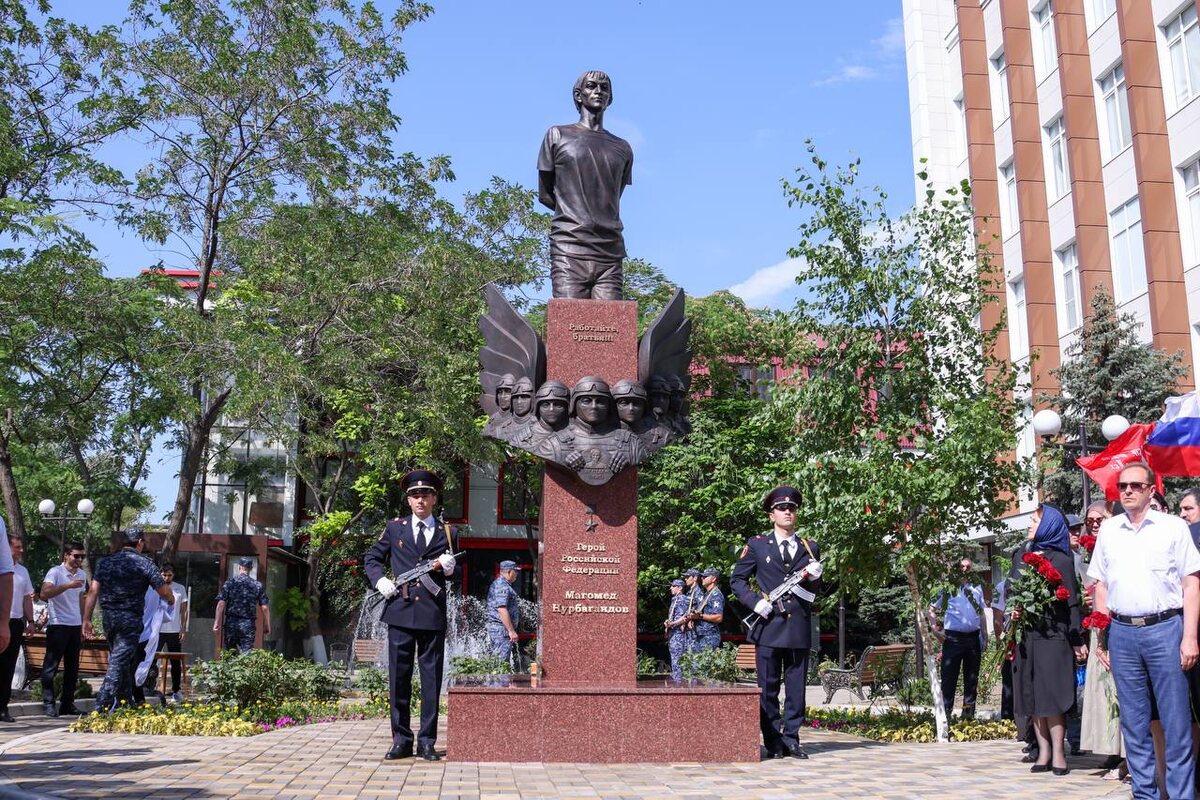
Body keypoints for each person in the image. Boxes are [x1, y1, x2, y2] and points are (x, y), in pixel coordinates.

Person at [1092, 462, 1200, 799]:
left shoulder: (1172, 528)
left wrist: (1190, 636)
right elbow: (1101, 587)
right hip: (1123, 634)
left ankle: (1181, 795)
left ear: (1151, 490)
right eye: (1122, 485)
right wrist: (1103, 637)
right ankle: (1145, 794)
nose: (1127, 491)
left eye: (1135, 485)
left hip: (1165, 629)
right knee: (1134, 726)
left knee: (1176, 724)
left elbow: (1191, 584)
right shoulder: (1110, 531)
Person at [364, 469, 458, 762]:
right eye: (415, 495)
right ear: (408, 500)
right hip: (401, 612)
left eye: (426, 494)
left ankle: (427, 741)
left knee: (431, 681)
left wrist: (451, 566)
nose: (421, 499)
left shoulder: (448, 532)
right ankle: (401, 740)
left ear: (434, 498)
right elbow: (372, 558)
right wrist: (380, 581)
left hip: (431, 615)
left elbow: (459, 572)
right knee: (399, 679)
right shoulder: (395, 529)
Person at [731, 485, 822, 761]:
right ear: (771, 515)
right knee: (768, 688)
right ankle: (772, 741)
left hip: (797, 629)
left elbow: (816, 593)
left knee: (796, 689)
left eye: (792, 508)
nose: (787, 512)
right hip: (769, 627)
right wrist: (755, 602)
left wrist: (816, 576)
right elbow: (736, 581)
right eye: (781, 508)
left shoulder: (809, 547)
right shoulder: (758, 544)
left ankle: (792, 739)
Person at [538, 70, 633, 300]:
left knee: (611, 328)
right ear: (579, 95)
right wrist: (575, 215)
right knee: (569, 327)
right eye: (591, 86)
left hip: (610, 251)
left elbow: (612, 196)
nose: (598, 91)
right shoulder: (558, 135)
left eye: (604, 87)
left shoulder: (622, 148)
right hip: (569, 248)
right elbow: (545, 194)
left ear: (610, 98)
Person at [1010, 504, 1085, 777]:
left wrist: (1076, 640)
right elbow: (1010, 590)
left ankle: (1059, 753)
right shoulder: (1022, 555)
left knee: (1052, 695)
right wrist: (1014, 610)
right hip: (1027, 635)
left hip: (1053, 635)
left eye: (1034, 520)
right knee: (1032, 695)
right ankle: (1043, 752)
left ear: (1049, 525)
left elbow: (1073, 603)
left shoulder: (1061, 560)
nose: (1030, 524)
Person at [82, 528, 175, 712]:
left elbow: (92, 591)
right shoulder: (144, 563)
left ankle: (126, 704)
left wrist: (86, 619)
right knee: (118, 662)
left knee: (121, 660)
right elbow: (164, 592)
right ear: (139, 542)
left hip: (109, 619)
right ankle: (101, 704)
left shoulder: (105, 562)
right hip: (129, 620)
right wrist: (172, 599)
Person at [1078, 501, 1125, 779]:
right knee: (1103, 693)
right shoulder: (1088, 556)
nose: (1094, 524)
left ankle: (1126, 756)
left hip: (1116, 626)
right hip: (1098, 627)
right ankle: (1111, 749)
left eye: (1100, 518)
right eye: (1090, 520)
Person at [929, 558, 985, 720]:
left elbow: (981, 612)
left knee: (971, 680)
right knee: (949, 679)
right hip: (953, 639)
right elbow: (931, 609)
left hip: (973, 639)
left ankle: (968, 715)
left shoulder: (977, 587)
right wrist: (935, 630)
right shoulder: (948, 587)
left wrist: (985, 635)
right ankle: (945, 716)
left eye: (968, 566)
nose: (965, 569)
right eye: (962, 566)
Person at [40, 542, 88, 716]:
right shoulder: (55, 572)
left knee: (72, 668)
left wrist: (84, 622)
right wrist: (67, 585)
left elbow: (81, 599)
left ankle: (67, 703)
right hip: (58, 624)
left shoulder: (82, 574)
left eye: (82, 556)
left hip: (75, 625)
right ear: (66, 555)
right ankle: (49, 703)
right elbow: (44, 594)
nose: (79, 559)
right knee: (50, 666)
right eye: (76, 556)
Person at [0, 535, 33, 721]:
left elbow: (27, 597)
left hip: (14, 622)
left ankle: (2, 707)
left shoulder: (23, 572)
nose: (21, 550)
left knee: (8, 666)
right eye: (17, 547)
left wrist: (30, 621)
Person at [145, 563, 188, 702]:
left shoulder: (180, 588)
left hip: (174, 630)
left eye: (169, 575)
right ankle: (148, 687)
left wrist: (183, 628)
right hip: (156, 630)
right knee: (151, 659)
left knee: (175, 661)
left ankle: (176, 690)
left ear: (173, 575)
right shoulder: (154, 587)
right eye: (164, 574)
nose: (166, 577)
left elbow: (184, 609)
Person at [213, 558, 269, 654]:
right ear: (251, 569)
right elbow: (264, 607)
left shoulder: (230, 583)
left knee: (230, 654)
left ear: (239, 567)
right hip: (248, 624)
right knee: (246, 655)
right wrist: (267, 624)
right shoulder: (257, 585)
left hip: (231, 623)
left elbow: (221, 603)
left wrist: (216, 622)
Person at [485, 560, 521, 662]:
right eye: (516, 571)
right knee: (501, 664)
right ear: (509, 572)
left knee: (500, 662)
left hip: (501, 630)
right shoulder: (502, 586)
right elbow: (501, 609)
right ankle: (500, 679)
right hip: (501, 631)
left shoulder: (502, 584)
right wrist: (511, 631)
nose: (517, 574)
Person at [689, 567, 725, 652]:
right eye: (702, 577)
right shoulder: (706, 594)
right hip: (700, 636)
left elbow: (719, 617)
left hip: (709, 637)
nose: (702, 578)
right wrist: (693, 618)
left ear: (714, 578)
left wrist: (700, 616)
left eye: (705, 577)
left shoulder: (716, 595)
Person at [663, 579, 690, 681]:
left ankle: (678, 684)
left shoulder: (682, 599)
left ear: (680, 588)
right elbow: (675, 616)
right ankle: (676, 681)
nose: (671, 588)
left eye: (673, 586)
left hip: (679, 634)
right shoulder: (675, 599)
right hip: (673, 634)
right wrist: (668, 622)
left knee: (678, 661)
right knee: (674, 660)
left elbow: (684, 618)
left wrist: (672, 624)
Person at [682, 568, 701, 654]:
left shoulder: (699, 593)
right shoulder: (689, 593)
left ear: (695, 578)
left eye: (687, 577)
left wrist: (691, 619)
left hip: (695, 630)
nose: (685, 579)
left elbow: (700, 610)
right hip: (688, 631)